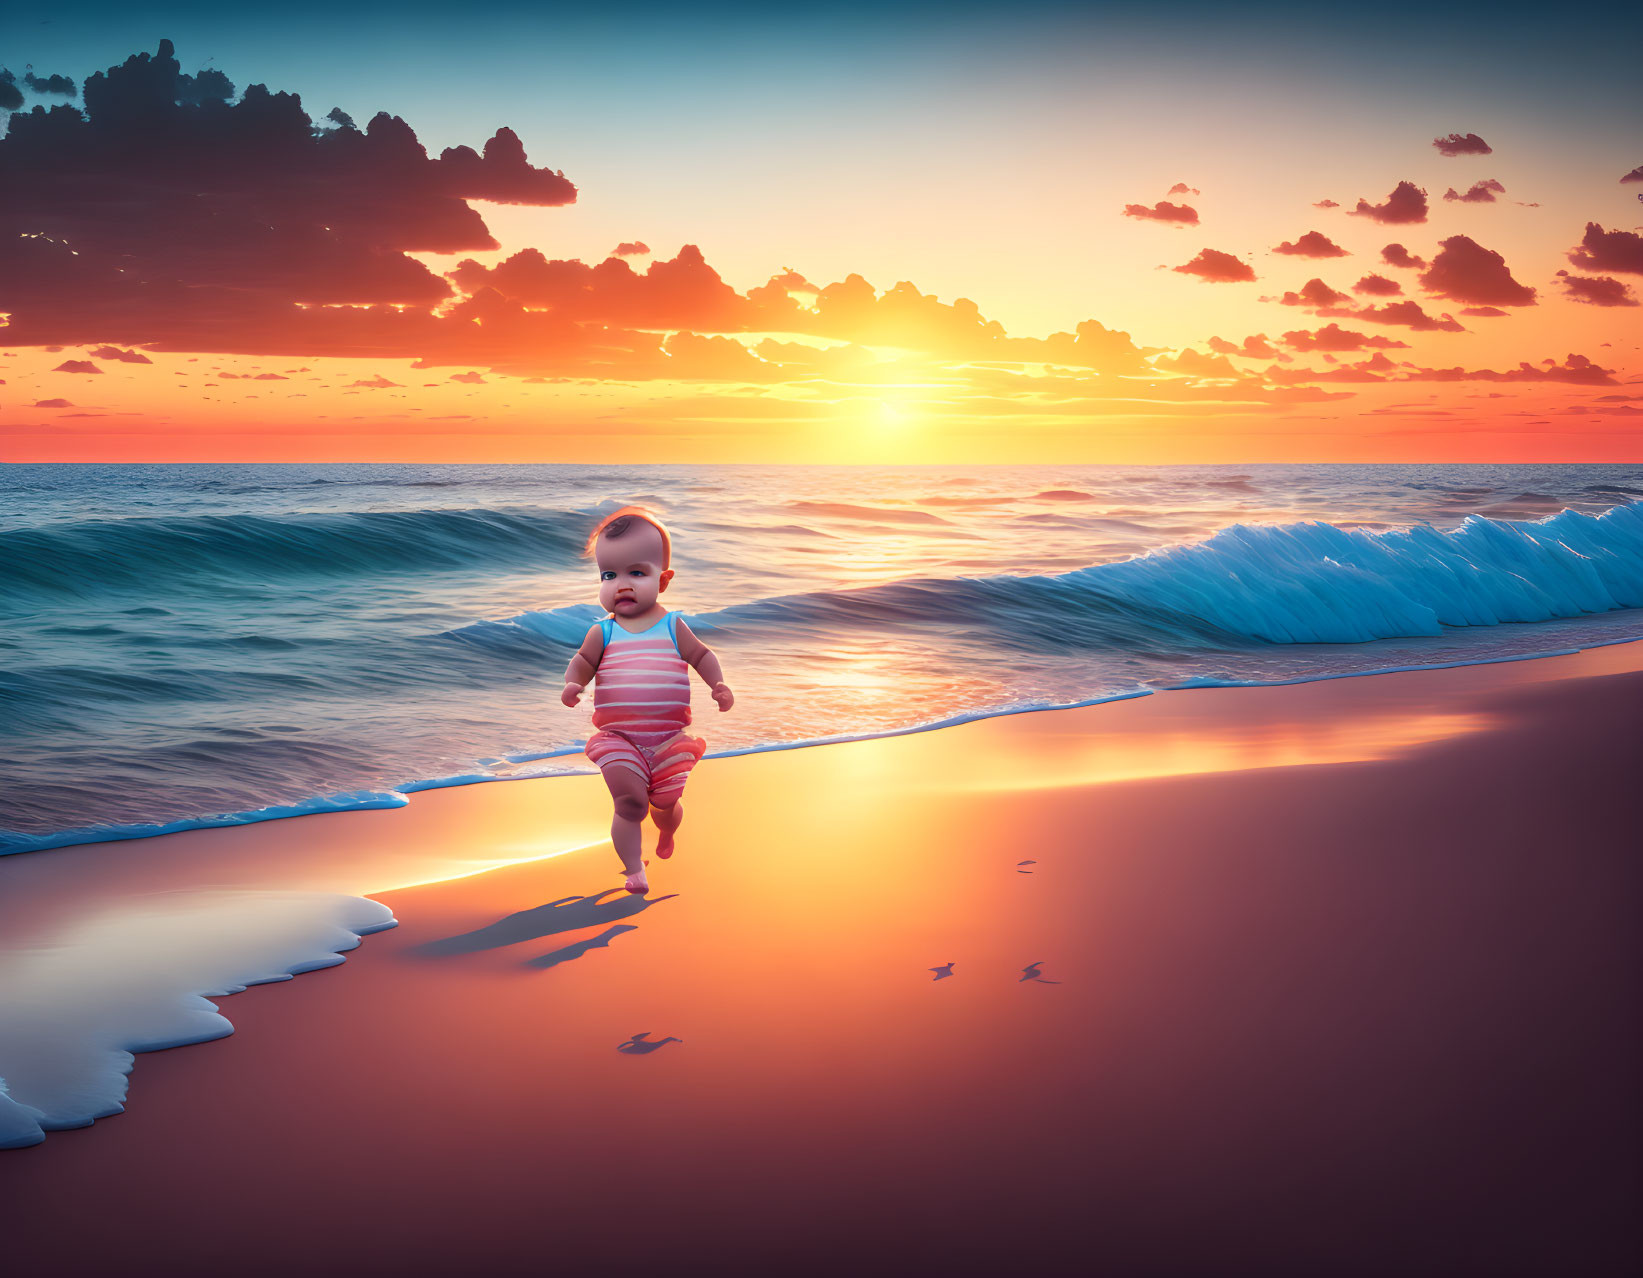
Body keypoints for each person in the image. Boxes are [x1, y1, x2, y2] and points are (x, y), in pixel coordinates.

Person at [561, 506, 734, 894]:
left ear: (664, 580)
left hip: (669, 740)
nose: (621, 584)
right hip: (618, 738)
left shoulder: (674, 626)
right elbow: (582, 662)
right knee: (630, 804)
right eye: (609, 574)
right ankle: (633, 868)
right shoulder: (601, 633)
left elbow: (702, 656)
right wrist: (574, 685)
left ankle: (667, 833)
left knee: (665, 806)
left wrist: (717, 684)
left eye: (636, 573)